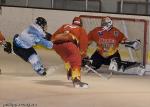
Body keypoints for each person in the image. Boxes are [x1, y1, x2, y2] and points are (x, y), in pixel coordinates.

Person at [51, 17, 88, 88]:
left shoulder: (65, 25)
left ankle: (70, 71)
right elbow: (83, 45)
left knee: (67, 58)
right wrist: (82, 56)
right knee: (76, 61)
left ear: (73, 22)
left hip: (56, 45)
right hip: (69, 44)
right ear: (81, 24)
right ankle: (76, 80)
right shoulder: (81, 30)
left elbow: (53, 37)